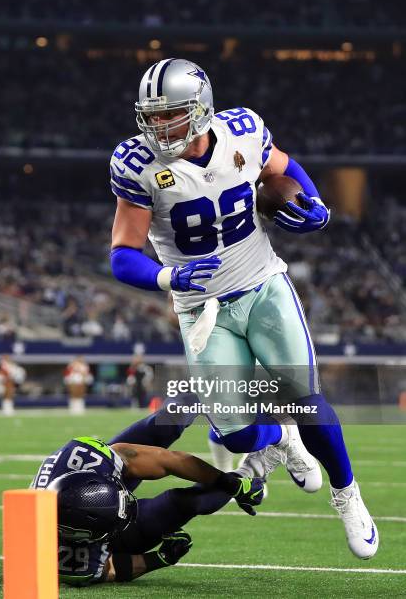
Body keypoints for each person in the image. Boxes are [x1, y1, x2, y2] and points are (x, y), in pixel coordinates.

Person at [109, 58, 377, 559]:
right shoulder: (136, 162)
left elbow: (284, 168)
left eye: (171, 113)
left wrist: (316, 204)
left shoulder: (244, 131)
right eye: (153, 115)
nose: (159, 125)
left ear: (202, 108)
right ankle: (281, 438)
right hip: (201, 308)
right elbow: (123, 255)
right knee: (235, 438)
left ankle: (348, 496)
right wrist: (168, 275)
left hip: (262, 286)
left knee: (306, 400)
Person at [32, 404, 264, 586]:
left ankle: (200, 388)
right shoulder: (62, 559)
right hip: (97, 535)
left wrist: (227, 483)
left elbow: (167, 460)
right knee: (181, 504)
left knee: (163, 424)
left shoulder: (86, 457)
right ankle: (250, 471)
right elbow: (109, 568)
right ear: (89, 537)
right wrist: (159, 559)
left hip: (99, 477)